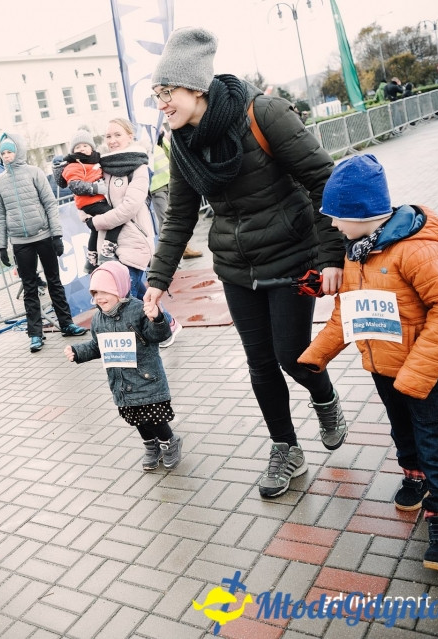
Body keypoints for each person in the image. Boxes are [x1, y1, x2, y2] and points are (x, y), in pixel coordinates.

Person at [143, 27, 347, 499]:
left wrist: (331, 255)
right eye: (157, 95)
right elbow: (179, 217)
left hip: (293, 257)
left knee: (292, 355)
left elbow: (324, 179)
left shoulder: (262, 113)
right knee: (260, 364)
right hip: (236, 268)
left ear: (195, 86)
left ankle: (326, 397)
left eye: (166, 92)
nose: (162, 104)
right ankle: (286, 448)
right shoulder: (182, 143)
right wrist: (157, 280)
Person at [299, 154, 438, 572]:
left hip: (426, 372)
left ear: (363, 213)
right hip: (383, 366)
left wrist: (417, 373)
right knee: (403, 431)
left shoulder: (417, 251)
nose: (333, 225)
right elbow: (348, 314)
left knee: (436, 442)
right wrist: (316, 354)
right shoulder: (356, 252)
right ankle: (415, 476)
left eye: (337, 216)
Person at [68, 117, 182, 344]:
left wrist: (97, 222)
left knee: (121, 295)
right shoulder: (103, 168)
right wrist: (86, 217)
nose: (112, 140)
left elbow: (129, 207)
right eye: (108, 136)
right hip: (108, 246)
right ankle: (167, 323)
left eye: (117, 135)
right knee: (137, 292)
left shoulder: (139, 167)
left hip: (134, 240)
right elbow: (84, 200)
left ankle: (144, 337)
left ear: (130, 136)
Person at [64, 261, 182, 471]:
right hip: (121, 383)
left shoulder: (137, 309)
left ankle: (169, 442)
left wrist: (157, 319)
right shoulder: (98, 319)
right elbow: (96, 345)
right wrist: (78, 352)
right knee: (137, 419)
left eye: (105, 291)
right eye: (95, 292)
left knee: (154, 418)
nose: (100, 297)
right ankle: (151, 445)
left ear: (119, 289)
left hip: (146, 379)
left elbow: (159, 335)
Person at [0, 132, 88, 352]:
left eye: (10, 151)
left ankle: (66, 324)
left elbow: (49, 204)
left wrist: (56, 236)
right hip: (20, 242)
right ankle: (35, 334)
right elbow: (0, 215)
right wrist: (2, 245)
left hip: (44, 236)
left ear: (18, 151)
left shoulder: (34, 173)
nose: (7, 156)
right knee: (30, 288)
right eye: (3, 153)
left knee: (54, 281)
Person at [55, 127, 119, 273]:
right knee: (116, 219)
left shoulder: (95, 161)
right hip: (91, 203)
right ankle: (108, 250)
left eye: (85, 145)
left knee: (96, 231)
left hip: (98, 201)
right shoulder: (74, 166)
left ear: (91, 147)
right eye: (78, 147)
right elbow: (75, 185)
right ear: (73, 151)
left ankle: (91, 261)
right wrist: (96, 188)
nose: (82, 149)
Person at [150, 123, 203, 261]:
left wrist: (161, 140)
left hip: (168, 181)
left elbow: (170, 153)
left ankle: (182, 249)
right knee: (167, 221)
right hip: (156, 186)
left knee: (177, 217)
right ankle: (168, 257)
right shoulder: (144, 137)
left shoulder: (157, 139)